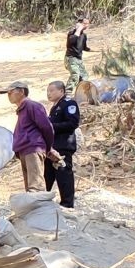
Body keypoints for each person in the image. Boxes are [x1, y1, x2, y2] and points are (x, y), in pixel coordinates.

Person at [1, 79, 55, 192]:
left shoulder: (32, 105)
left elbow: (47, 127)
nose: (8, 95)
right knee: (30, 187)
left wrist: (48, 147)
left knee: (35, 187)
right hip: (25, 150)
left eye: (10, 92)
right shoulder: (22, 109)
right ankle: (35, 208)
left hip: (33, 149)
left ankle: (42, 208)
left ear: (21, 91)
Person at [45, 80, 81, 209]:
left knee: (64, 175)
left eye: (51, 90)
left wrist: (51, 126)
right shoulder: (55, 107)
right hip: (52, 147)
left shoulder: (68, 104)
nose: (48, 94)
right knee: (48, 175)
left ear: (61, 91)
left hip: (63, 146)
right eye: (47, 91)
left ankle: (67, 204)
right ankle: (43, 201)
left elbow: (73, 123)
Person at [65, 15, 90, 84]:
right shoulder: (72, 33)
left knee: (84, 76)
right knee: (75, 75)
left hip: (79, 59)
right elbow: (72, 41)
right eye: (84, 24)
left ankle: (81, 91)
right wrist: (78, 29)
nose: (86, 25)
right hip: (71, 58)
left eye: (87, 24)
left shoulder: (84, 36)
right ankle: (68, 92)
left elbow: (84, 47)